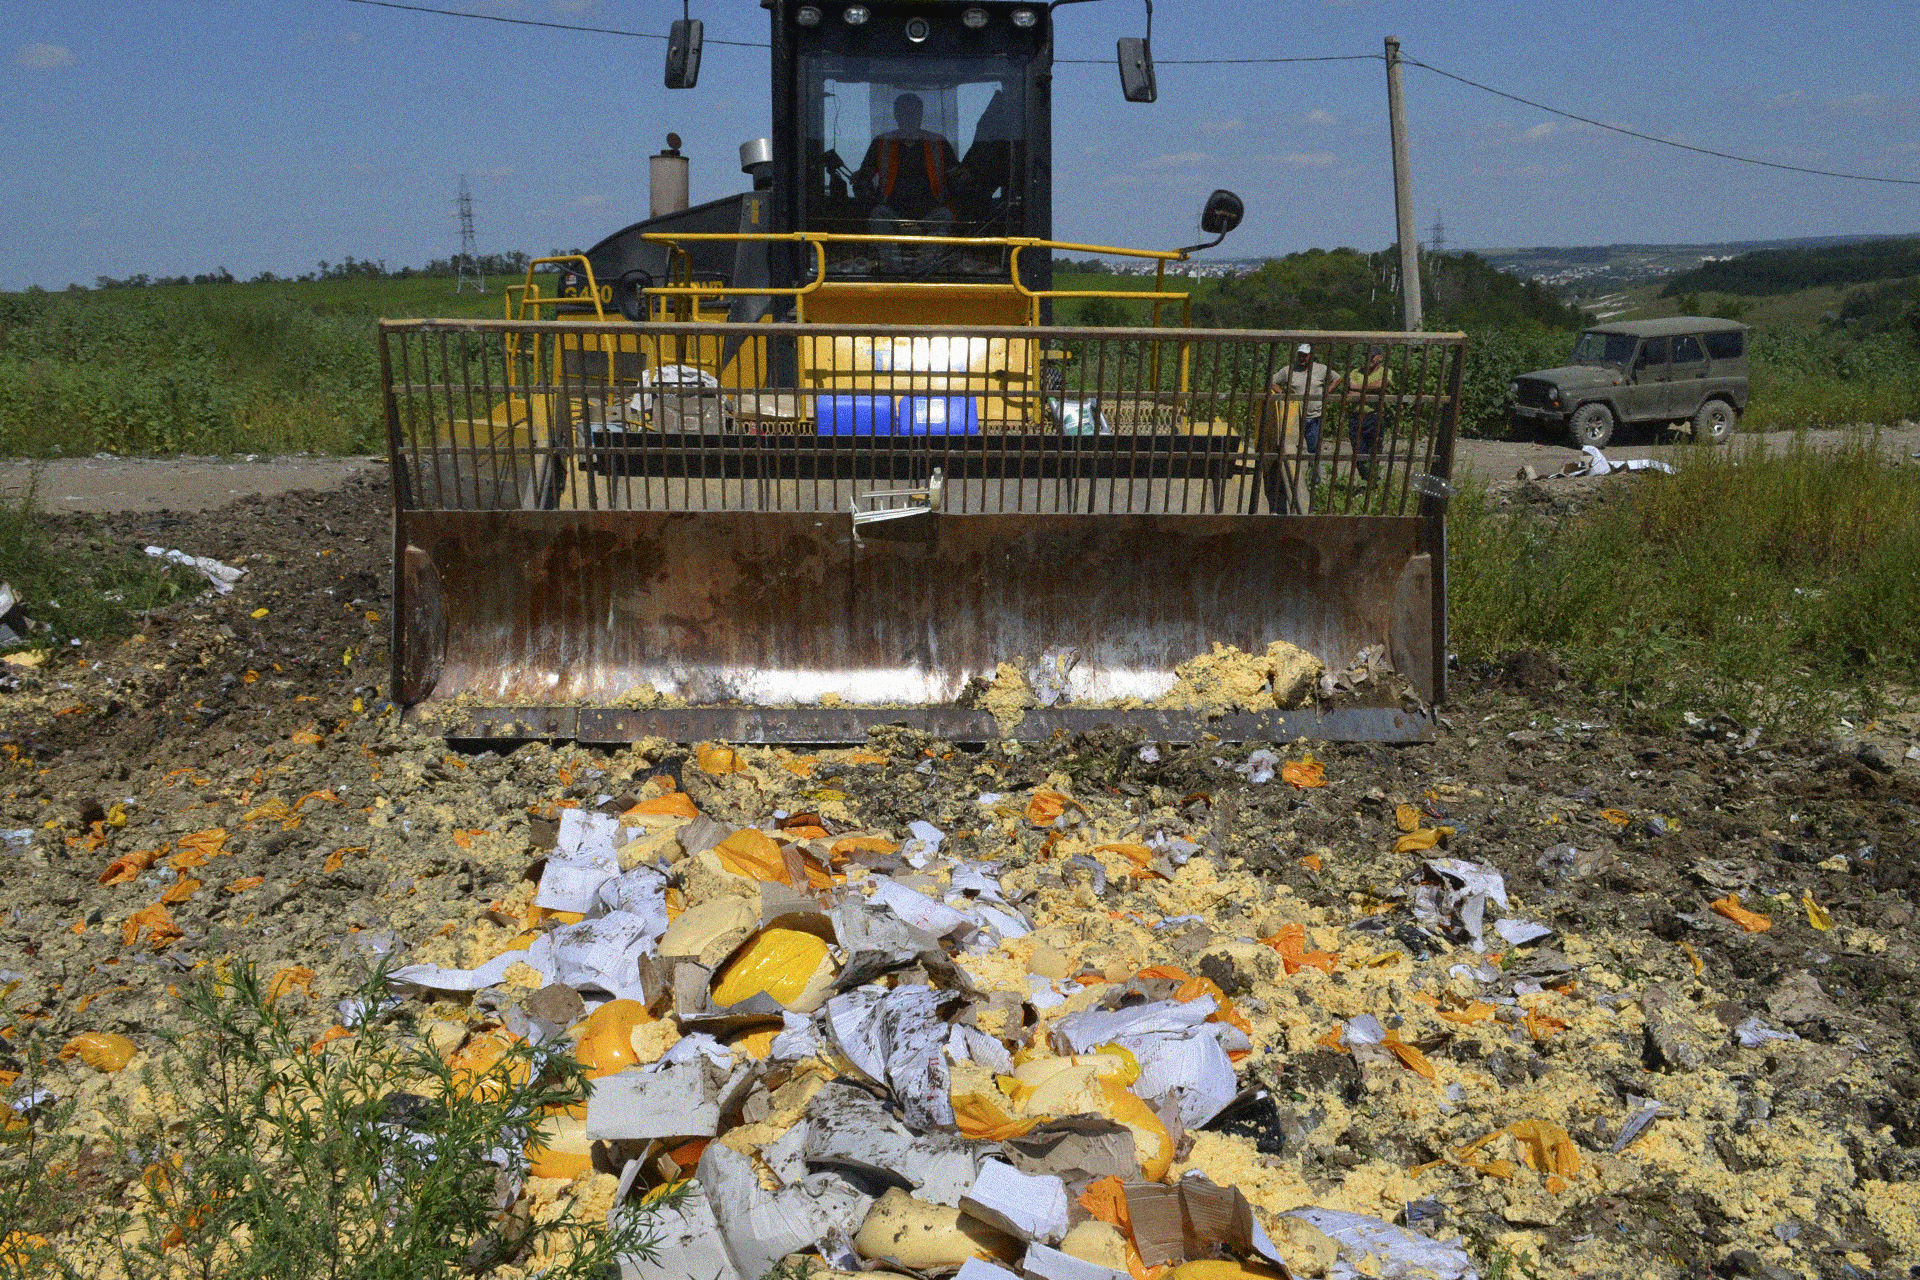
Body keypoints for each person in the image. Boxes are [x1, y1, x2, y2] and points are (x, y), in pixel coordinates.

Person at [855, 93, 961, 235]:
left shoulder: (938, 143)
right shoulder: (881, 143)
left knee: (946, 215)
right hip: (890, 211)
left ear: (921, 114)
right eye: (904, 113)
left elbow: (956, 175)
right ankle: (890, 258)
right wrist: (860, 177)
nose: (909, 117)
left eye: (914, 113)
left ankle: (929, 257)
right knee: (876, 215)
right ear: (896, 115)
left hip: (931, 212)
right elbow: (865, 175)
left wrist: (964, 175)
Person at [1261, 342, 1331, 513]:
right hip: (1294, 418)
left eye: (1305, 355)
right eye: (1300, 355)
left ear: (1310, 356)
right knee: (1294, 449)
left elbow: (1337, 378)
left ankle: (1315, 480)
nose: (1302, 358)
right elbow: (1271, 380)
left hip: (1314, 416)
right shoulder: (1288, 370)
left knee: (1313, 449)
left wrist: (1327, 391)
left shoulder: (1321, 369)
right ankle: (1292, 478)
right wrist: (1281, 393)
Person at [1335, 344, 1395, 478]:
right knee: (1358, 453)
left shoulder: (1385, 371)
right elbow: (1349, 389)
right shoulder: (1355, 372)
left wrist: (1359, 388)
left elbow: (1382, 384)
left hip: (1374, 416)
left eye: (1373, 356)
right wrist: (1369, 390)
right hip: (1356, 417)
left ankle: (1371, 482)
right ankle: (1368, 480)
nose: (1370, 358)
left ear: (1380, 357)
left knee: (1374, 451)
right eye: (1367, 355)